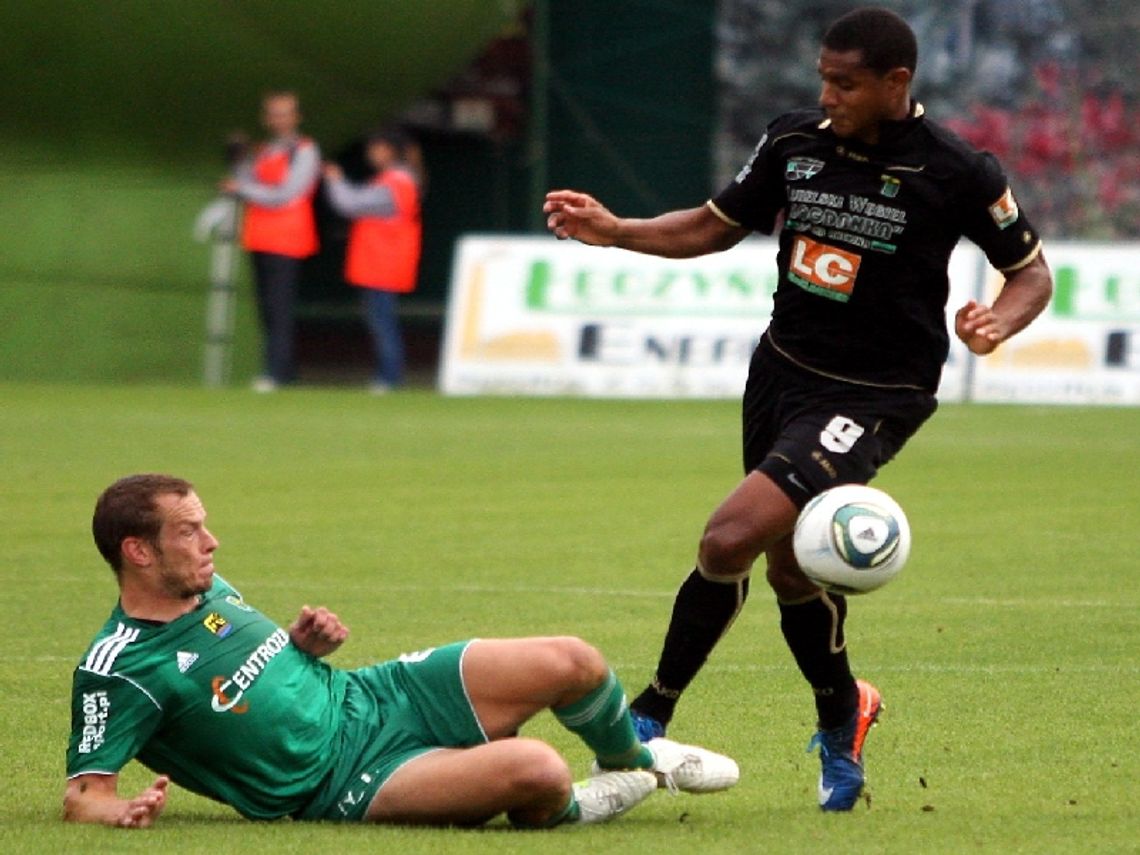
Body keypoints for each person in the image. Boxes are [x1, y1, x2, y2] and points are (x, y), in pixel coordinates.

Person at [544, 6, 1052, 813]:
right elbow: (713, 227)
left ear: (896, 82)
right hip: (781, 372)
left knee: (728, 537)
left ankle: (647, 714)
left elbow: (1031, 272)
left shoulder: (958, 169)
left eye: (845, 83)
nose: (827, 95)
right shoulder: (793, 142)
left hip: (876, 394)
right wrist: (616, 230)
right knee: (789, 567)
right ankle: (844, 712)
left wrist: (1000, 320)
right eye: (823, 78)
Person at [64, 475, 738, 829]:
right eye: (189, 531)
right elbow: (84, 795)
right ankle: (584, 803)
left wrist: (302, 647)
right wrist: (121, 810)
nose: (211, 541)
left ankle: (635, 761)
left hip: (375, 694)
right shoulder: (119, 668)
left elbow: (248, 675)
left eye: (205, 524)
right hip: (342, 781)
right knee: (536, 768)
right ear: (138, 551)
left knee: (573, 660)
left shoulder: (210, 588)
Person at [222, 91, 321, 392]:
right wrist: (237, 159)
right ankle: (285, 371)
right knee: (267, 307)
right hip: (260, 235)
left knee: (279, 307)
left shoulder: (305, 150)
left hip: (287, 237)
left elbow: (285, 193)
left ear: (297, 117)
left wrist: (241, 188)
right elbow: (247, 180)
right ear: (265, 119)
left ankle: (274, 372)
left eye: (285, 113)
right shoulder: (264, 150)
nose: (279, 119)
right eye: (274, 114)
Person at [324, 128, 423, 393]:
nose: (371, 153)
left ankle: (389, 377)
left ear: (389, 151)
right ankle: (388, 376)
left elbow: (349, 204)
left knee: (382, 322)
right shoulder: (395, 180)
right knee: (382, 321)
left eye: (376, 148)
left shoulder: (395, 182)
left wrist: (335, 180)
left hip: (383, 262)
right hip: (382, 261)